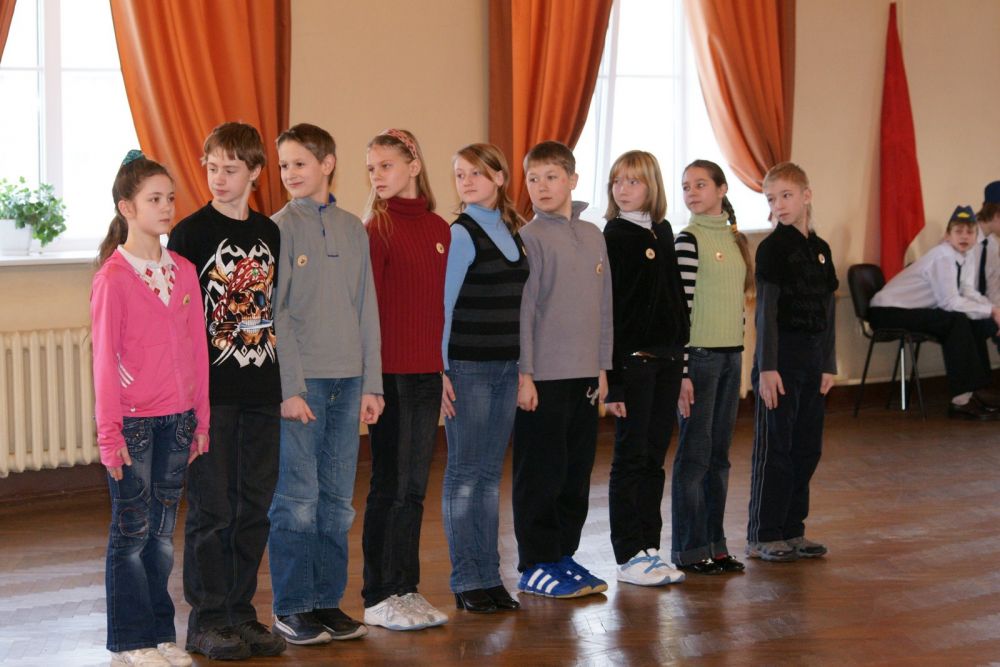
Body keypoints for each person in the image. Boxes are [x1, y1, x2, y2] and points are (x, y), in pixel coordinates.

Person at [167, 123, 285, 659]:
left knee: (254, 506)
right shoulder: (189, 235)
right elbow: (180, 320)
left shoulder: (269, 233)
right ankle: (207, 620)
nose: (218, 178)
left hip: (261, 387)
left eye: (230, 169)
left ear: (255, 172)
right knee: (212, 509)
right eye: (211, 167)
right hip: (209, 394)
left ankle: (241, 612)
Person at [266, 123, 383, 644]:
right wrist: (289, 388)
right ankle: (292, 606)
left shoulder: (353, 228)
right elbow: (277, 315)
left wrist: (372, 384)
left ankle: (326, 602)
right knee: (297, 497)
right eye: (284, 165)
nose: (290, 173)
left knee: (336, 500)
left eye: (300, 163)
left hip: (348, 383)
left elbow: (366, 310)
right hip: (304, 385)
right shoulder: (278, 229)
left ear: (327, 164)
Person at [92, 151, 210, 667]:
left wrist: (201, 418)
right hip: (134, 425)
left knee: (162, 536)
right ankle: (130, 641)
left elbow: (198, 350)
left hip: (179, 421)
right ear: (127, 208)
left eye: (170, 198)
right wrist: (109, 435)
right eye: (154, 199)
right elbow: (103, 362)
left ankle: (161, 634)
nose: (166, 207)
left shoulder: (183, 272)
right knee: (132, 532)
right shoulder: (113, 279)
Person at [513, 141, 613, 599]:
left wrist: (602, 367)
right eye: (533, 179)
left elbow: (604, 306)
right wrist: (525, 374)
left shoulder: (593, 235)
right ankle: (535, 563)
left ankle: (562, 555)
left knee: (575, 472)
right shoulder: (529, 238)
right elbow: (525, 311)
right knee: (541, 473)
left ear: (572, 180)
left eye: (551, 177)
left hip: (585, 376)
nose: (541, 187)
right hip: (543, 378)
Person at [362, 128, 451, 630]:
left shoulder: (439, 228)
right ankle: (379, 594)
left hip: (426, 376)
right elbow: (368, 312)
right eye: (371, 168)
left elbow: (441, 309)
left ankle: (406, 587)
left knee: (415, 487)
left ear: (413, 166)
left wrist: (443, 369)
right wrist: (370, 382)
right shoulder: (376, 229)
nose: (377, 176)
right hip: (390, 377)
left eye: (386, 166)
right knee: (390, 486)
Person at [440, 143, 528, 613]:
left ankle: (490, 577)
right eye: (460, 175)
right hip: (468, 368)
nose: (467, 181)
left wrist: (524, 368)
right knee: (465, 476)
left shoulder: (513, 230)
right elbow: (443, 306)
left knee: (490, 478)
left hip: (506, 367)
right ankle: (468, 579)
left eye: (476, 172)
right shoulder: (460, 233)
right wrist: (441, 370)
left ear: (499, 177)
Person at [601, 150, 687, 586]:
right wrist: (614, 381)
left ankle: (650, 547)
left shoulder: (663, 230)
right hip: (633, 364)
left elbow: (675, 297)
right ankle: (628, 552)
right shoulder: (614, 236)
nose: (623, 189)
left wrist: (682, 359)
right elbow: (610, 311)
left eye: (633, 181)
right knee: (630, 457)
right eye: (617, 181)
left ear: (651, 186)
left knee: (654, 457)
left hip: (667, 360)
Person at [747, 162, 839, 562]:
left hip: (812, 362)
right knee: (777, 449)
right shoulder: (772, 249)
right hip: (780, 362)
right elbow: (765, 313)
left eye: (786, 196)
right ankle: (764, 533)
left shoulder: (821, 250)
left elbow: (828, 310)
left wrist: (828, 363)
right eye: (771, 199)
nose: (779, 205)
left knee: (806, 448)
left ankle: (792, 529)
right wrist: (767, 367)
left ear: (806, 196)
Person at [671, 159, 752, 575]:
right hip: (700, 360)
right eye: (686, 186)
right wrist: (683, 372)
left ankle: (716, 545)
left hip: (730, 357)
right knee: (695, 457)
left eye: (700, 184)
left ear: (721, 189)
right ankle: (689, 550)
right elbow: (680, 312)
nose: (692, 192)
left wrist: (739, 356)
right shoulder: (687, 240)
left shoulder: (736, 240)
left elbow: (738, 307)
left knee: (719, 457)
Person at [869, 205, 1000, 421]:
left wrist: (993, 312)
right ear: (948, 235)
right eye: (958, 231)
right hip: (887, 311)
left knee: (971, 321)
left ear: (975, 235)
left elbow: (968, 292)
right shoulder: (943, 256)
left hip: (912, 310)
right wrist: (991, 310)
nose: (964, 236)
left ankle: (973, 390)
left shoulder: (966, 255)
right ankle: (960, 401)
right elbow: (949, 302)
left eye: (969, 232)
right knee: (955, 321)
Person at [971, 181, 1000, 307]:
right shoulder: (962, 240)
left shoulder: (992, 244)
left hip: (978, 308)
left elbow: (993, 291)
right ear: (996, 215)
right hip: (952, 311)